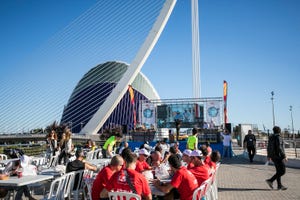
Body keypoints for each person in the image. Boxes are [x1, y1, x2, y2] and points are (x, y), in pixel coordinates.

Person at [266, 126, 288, 190]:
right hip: (278, 157)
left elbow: (268, 147)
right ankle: (270, 180)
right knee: (283, 171)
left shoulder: (271, 137)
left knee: (278, 171)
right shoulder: (278, 137)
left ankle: (279, 186)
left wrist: (268, 156)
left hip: (273, 157)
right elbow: (280, 148)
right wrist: (284, 156)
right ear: (279, 131)